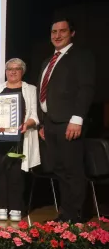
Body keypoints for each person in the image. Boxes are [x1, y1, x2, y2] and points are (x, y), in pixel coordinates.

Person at [37, 18, 95, 223]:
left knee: (73, 171)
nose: (57, 35)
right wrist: (43, 123)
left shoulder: (80, 57)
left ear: (72, 33)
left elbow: (86, 88)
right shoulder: (48, 61)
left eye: (62, 31)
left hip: (69, 122)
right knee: (60, 170)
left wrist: (77, 118)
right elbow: (46, 94)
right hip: (51, 124)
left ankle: (77, 216)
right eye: (54, 31)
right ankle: (66, 214)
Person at [0, 58, 41, 222]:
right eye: (9, 69)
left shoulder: (31, 90)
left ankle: (15, 207)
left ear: (22, 71)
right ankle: (1, 206)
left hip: (19, 139)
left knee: (16, 174)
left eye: (17, 69)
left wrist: (27, 123)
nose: (13, 71)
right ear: (5, 71)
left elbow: (35, 116)